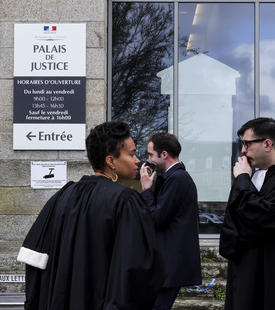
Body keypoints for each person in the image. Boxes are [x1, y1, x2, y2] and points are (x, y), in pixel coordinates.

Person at [17, 121, 165, 310]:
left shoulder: (62, 196)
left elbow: (35, 261)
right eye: (131, 154)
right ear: (111, 161)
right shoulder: (125, 201)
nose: (138, 160)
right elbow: (137, 270)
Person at [219, 117, 275, 310]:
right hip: (245, 272)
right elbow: (232, 224)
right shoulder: (247, 177)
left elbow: (265, 218)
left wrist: (243, 179)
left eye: (247, 143)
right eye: (242, 144)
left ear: (267, 144)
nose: (243, 150)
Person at [139, 132, 202, 310]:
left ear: (164, 154)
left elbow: (156, 218)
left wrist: (146, 191)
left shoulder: (177, 178)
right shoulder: (170, 177)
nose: (148, 159)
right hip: (167, 262)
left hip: (170, 263)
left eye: (151, 155)